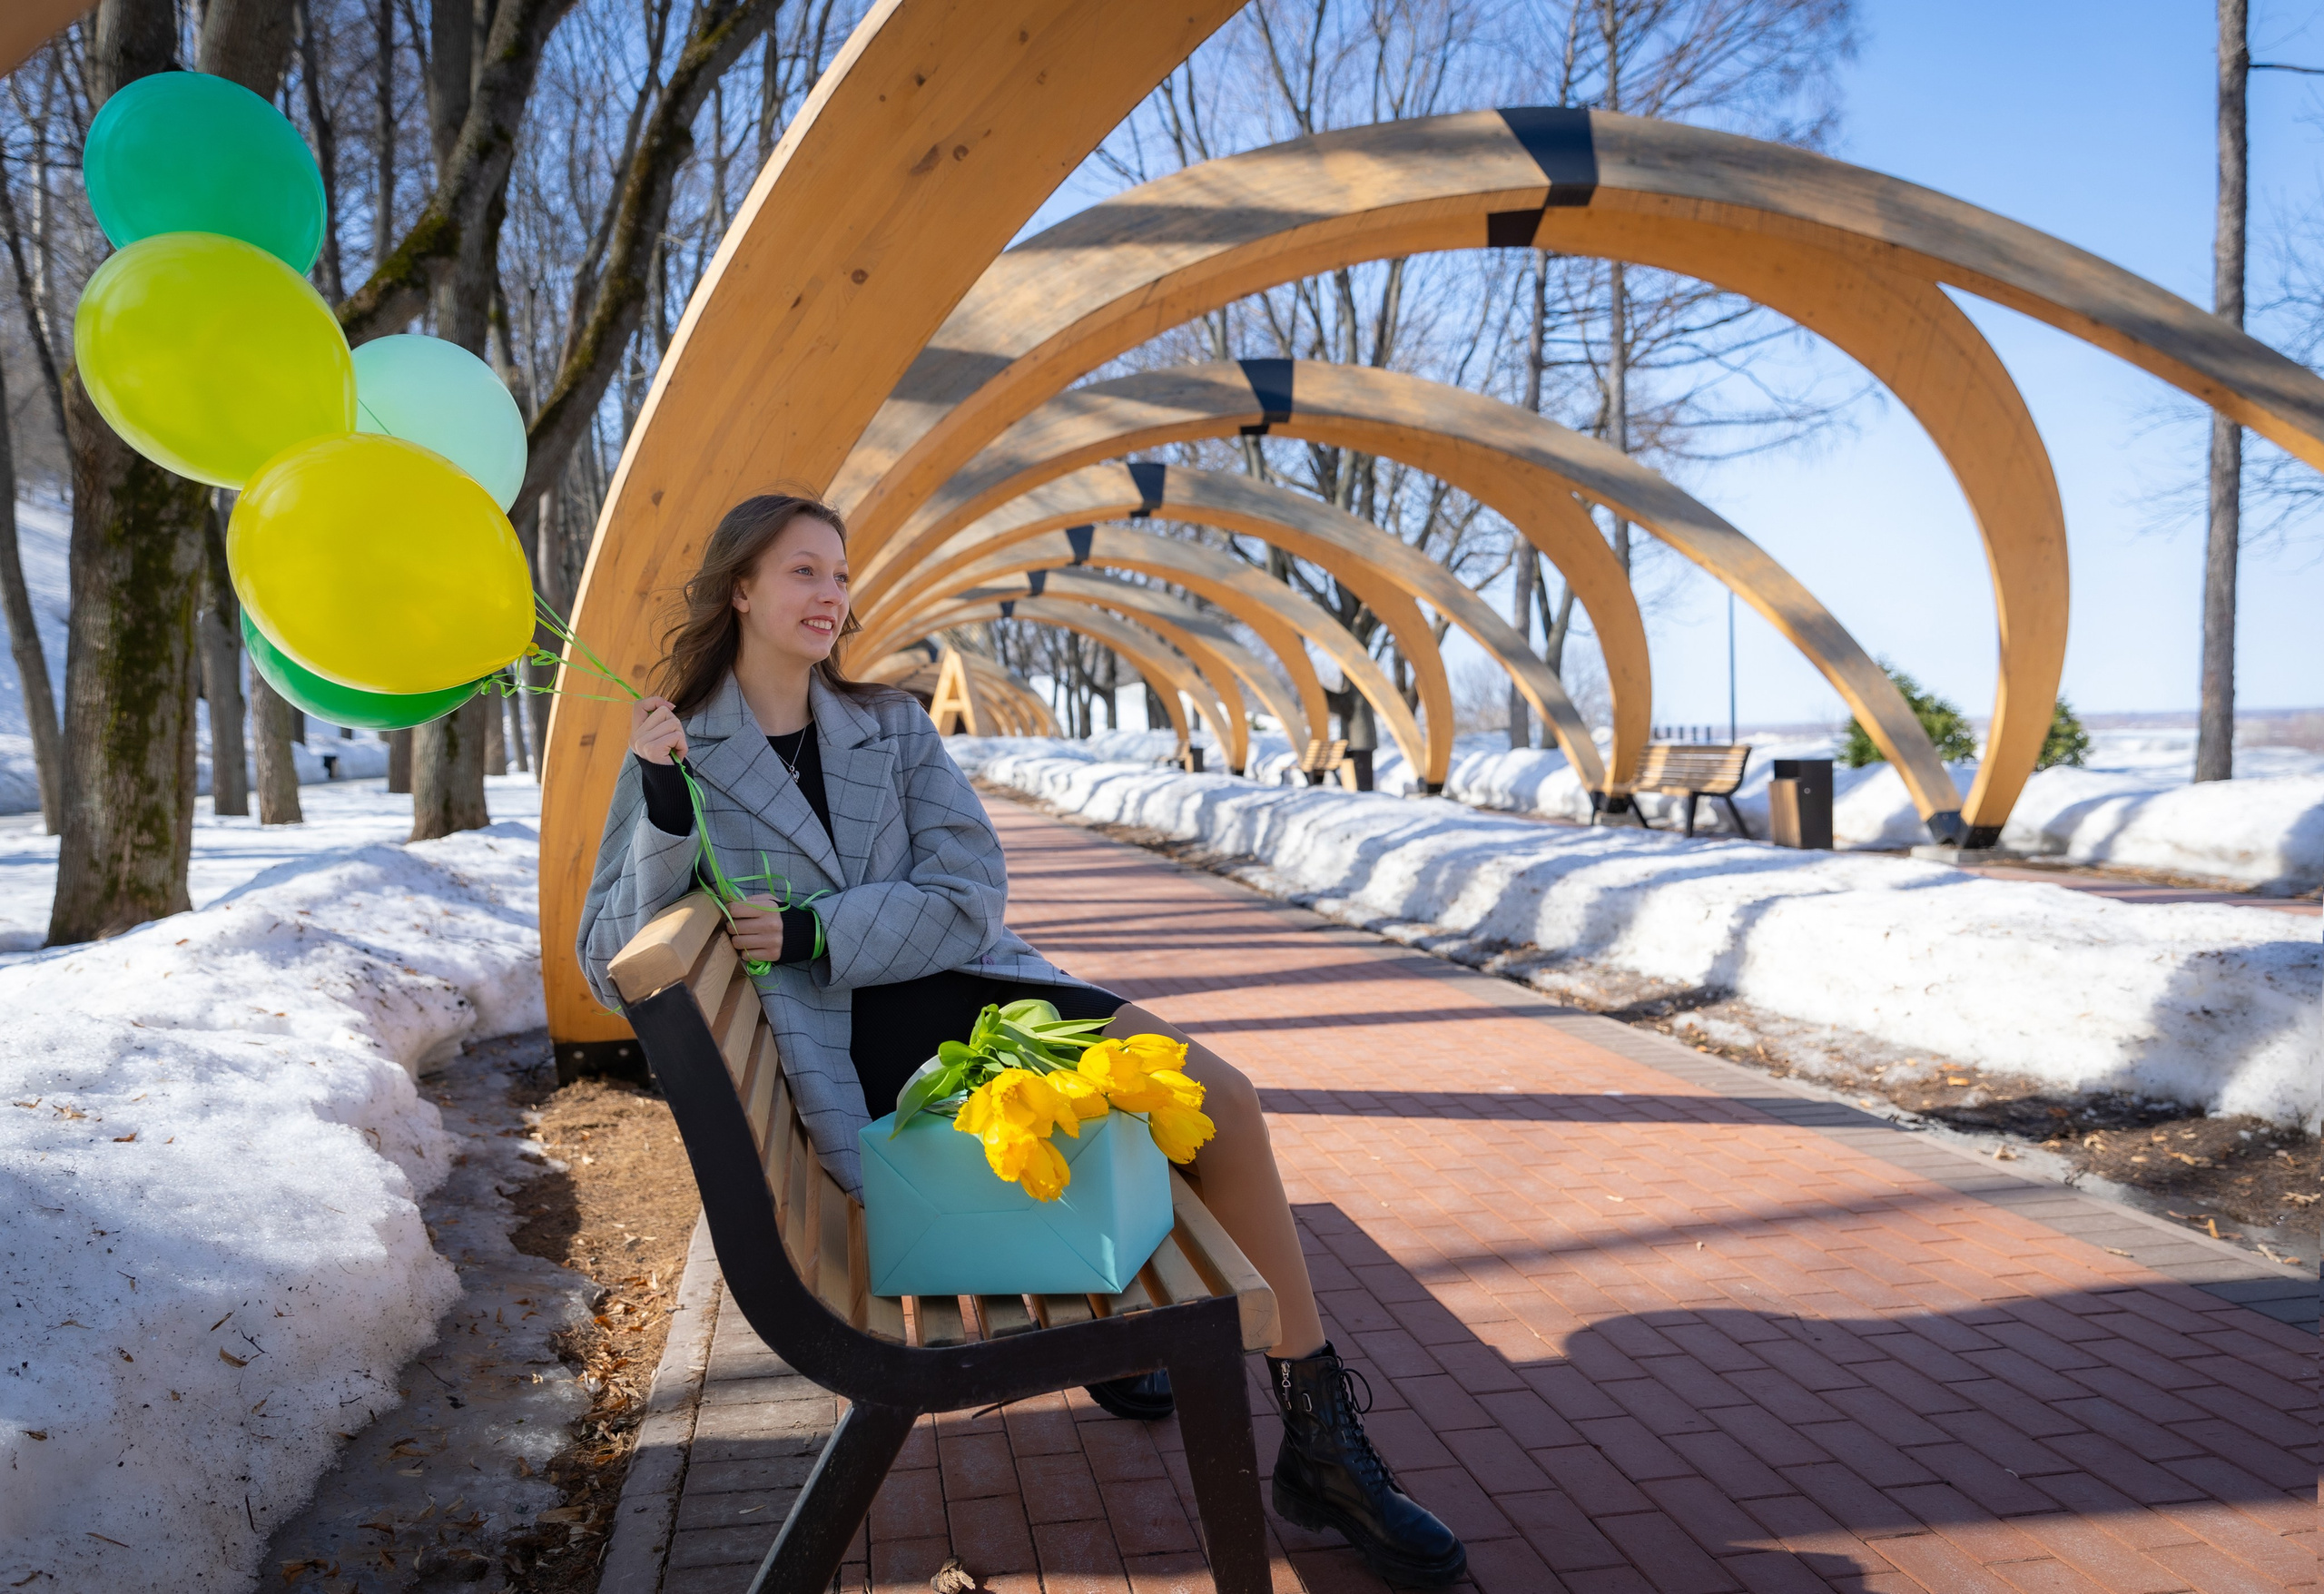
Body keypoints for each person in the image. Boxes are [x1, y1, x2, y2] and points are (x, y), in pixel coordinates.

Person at [577, 493, 1464, 1585]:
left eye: (841, 575)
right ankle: (1313, 1443)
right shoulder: (679, 746)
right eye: (804, 572)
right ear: (742, 589)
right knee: (1159, 1135)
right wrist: (666, 804)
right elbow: (608, 962)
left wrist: (814, 927)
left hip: (984, 1001)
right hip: (873, 1066)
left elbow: (970, 896)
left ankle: (1319, 1430)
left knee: (1221, 1099)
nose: (830, 596)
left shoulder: (889, 725)